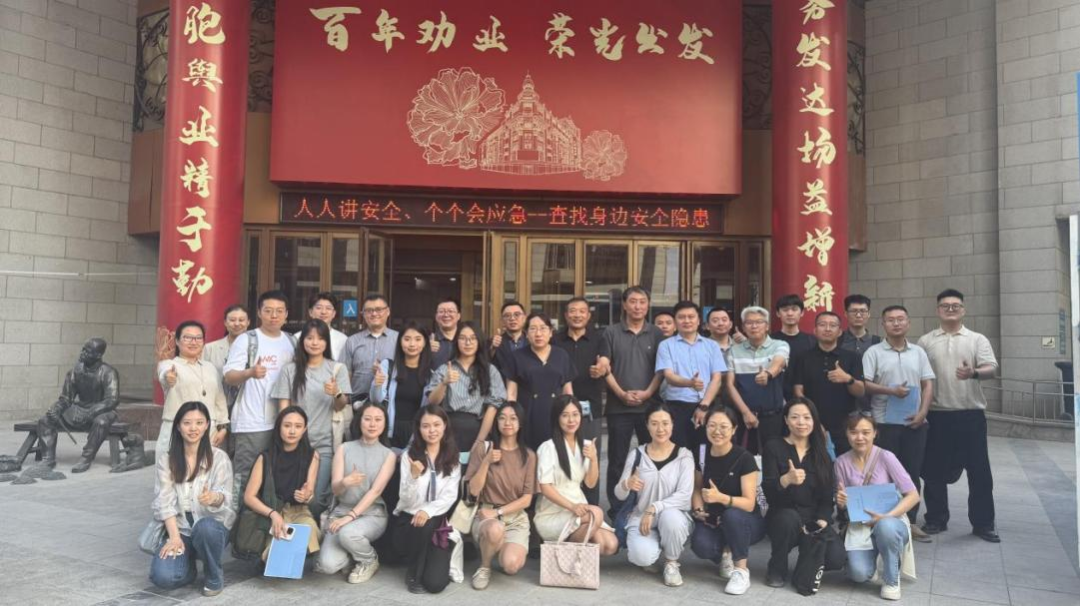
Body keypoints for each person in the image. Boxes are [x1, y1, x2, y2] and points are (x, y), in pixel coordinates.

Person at [917, 289, 1000, 543]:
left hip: (970, 415)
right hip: (937, 415)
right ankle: (936, 519)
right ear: (938, 310)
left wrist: (974, 372)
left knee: (979, 472)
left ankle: (983, 524)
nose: (950, 309)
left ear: (963, 310)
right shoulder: (925, 341)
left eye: (955, 305)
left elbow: (992, 369)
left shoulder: (976, 339)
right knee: (933, 471)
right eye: (945, 305)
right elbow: (919, 376)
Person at [862, 305, 935, 543]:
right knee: (883, 473)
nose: (896, 323)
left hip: (915, 423)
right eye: (891, 320)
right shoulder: (873, 352)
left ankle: (910, 521)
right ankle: (882, 520)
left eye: (900, 319)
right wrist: (890, 391)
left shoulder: (918, 352)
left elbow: (927, 384)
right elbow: (865, 384)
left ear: (908, 323)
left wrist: (923, 412)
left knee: (911, 472)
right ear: (883, 324)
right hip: (884, 423)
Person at [149, 401, 234, 597]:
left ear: (207, 426)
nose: (193, 428)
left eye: (199, 422)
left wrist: (213, 498)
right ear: (178, 427)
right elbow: (164, 501)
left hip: (212, 527)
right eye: (187, 423)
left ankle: (213, 574)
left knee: (205, 528)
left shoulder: (219, 458)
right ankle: (189, 564)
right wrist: (174, 537)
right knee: (163, 577)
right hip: (181, 527)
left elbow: (226, 498)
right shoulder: (167, 460)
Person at [761, 397, 846, 588]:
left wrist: (821, 521)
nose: (801, 422)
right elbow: (769, 493)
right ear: (786, 420)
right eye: (795, 417)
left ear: (814, 421)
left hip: (812, 518)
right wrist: (786, 480)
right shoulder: (773, 447)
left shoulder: (822, 454)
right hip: (782, 515)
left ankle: (806, 558)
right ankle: (777, 567)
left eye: (807, 417)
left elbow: (826, 499)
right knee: (787, 519)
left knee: (836, 558)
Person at [835, 416, 920, 601]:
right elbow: (843, 504)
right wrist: (840, 501)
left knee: (886, 527)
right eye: (854, 432)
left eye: (865, 432)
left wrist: (887, 516)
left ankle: (891, 580)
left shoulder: (886, 457)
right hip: (861, 526)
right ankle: (874, 561)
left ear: (875, 433)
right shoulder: (841, 462)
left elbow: (913, 495)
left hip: (892, 522)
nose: (860, 437)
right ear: (847, 434)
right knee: (859, 574)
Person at [271, 319, 351, 513]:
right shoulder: (290, 370)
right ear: (302, 341)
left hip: (324, 444)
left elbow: (341, 405)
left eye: (320, 338)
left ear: (326, 342)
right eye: (310, 338)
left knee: (315, 498)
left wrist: (336, 393)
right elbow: (284, 411)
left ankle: (313, 530)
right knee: (292, 494)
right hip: (294, 445)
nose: (315, 343)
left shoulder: (337, 368)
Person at [599, 286, 665, 518]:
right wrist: (621, 394)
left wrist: (647, 393)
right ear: (625, 305)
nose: (638, 306)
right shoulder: (611, 332)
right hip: (619, 408)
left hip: (650, 407)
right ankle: (617, 509)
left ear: (648, 305)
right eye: (633, 301)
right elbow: (605, 367)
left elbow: (661, 370)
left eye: (642, 301)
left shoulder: (656, 333)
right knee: (617, 460)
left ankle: (648, 505)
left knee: (652, 458)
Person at [615, 402, 695, 587]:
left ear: (672, 424)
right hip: (641, 517)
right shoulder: (637, 454)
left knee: (670, 518)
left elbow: (684, 495)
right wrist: (627, 484)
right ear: (647, 425)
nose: (660, 429)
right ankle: (654, 546)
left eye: (665, 423)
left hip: (673, 515)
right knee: (641, 557)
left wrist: (654, 508)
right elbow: (619, 494)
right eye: (654, 423)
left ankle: (671, 562)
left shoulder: (684, 456)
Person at [317, 402, 397, 583]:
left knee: (347, 534)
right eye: (367, 419)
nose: (372, 424)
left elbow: (375, 491)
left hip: (372, 514)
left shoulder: (388, 455)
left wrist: (350, 517)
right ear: (359, 421)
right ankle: (353, 552)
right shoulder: (344, 448)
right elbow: (336, 489)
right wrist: (344, 482)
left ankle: (368, 560)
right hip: (341, 512)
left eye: (378, 420)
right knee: (327, 565)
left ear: (385, 424)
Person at [224, 290, 296, 488]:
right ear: (259, 312)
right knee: (245, 475)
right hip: (252, 422)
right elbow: (229, 376)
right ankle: (240, 509)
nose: (274, 316)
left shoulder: (292, 341)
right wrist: (250, 373)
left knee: (276, 475)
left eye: (279, 311)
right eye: (268, 310)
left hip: (282, 421)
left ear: (286, 314)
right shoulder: (247, 339)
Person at [690, 407, 765, 596]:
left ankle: (741, 571)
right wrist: (698, 510)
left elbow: (749, 503)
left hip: (745, 521)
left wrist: (720, 498)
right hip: (714, 519)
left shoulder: (744, 458)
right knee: (700, 545)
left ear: (734, 429)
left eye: (724, 426)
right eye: (712, 425)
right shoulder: (701, 453)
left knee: (732, 515)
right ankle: (726, 552)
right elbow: (697, 488)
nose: (717, 431)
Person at [464, 402, 537, 590]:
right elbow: (473, 490)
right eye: (502, 418)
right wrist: (486, 462)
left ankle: (496, 545)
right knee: (495, 530)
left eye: (513, 418)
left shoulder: (529, 456)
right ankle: (485, 566)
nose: (507, 423)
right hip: (486, 515)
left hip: (515, 518)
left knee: (511, 566)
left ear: (520, 423)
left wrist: (498, 512)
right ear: (496, 422)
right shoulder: (483, 449)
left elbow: (527, 499)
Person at [535, 396, 618, 555]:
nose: (571, 420)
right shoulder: (548, 447)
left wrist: (593, 459)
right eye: (565, 415)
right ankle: (566, 554)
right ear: (557, 418)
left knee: (608, 545)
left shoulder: (587, 445)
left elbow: (590, 483)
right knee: (596, 513)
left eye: (575, 414)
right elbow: (545, 487)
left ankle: (569, 552)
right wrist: (572, 506)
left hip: (579, 507)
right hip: (553, 511)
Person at [391, 405, 461, 594]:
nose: (432, 430)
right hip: (409, 523)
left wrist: (427, 511)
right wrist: (413, 477)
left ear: (445, 425)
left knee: (436, 584)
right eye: (426, 426)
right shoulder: (409, 456)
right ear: (419, 429)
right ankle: (414, 572)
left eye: (436, 424)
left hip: (436, 521)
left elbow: (450, 496)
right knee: (423, 524)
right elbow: (405, 499)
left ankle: (436, 557)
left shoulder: (452, 457)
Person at [242, 405, 321, 561]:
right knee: (277, 552)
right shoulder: (265, 457)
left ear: (304, 429)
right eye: (287, 425)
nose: (292, 431)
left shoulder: (312, 455)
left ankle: (285, 557)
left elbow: (309, 492)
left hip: (299, 512)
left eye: (298, 426)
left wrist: (306, 496)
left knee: (310, 530)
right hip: (271, 512)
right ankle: (274, 557)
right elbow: (249, 497)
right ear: (279, 427)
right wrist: (272, 514)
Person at [552, 298, 607, 506]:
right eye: (573, 311)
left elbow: (606, 361)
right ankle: (565, 507)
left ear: (588, 315)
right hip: (561, 408)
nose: (577, 315)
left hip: (591, 407)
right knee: (563, 457)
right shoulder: (555, 340)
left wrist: (601, 368)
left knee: (590, 458)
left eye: (582, 311)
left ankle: (592, 509)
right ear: (566, 315)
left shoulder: (599, 339)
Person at [37, 337, 119, 472]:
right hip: (79, 409)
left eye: (88, 351)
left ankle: (86, 458)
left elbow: (112, 400)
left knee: (101, 422)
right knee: (45, 420)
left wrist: (91, 412)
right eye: (83, 349)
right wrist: (57, 408)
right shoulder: (75, 371)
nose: (82, 353)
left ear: (98, 355)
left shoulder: (109, 372)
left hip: (103, 411)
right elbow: (66, 398)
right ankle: (48, 459)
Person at [655, 301, 726, 449]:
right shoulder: (666, 345)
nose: (687, 321)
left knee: (705, 450)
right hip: (677, 406)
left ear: (699, 320)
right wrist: (689, 383)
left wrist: (704, 406)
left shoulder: (712, 345)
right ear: (675, 321)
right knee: (680, 450)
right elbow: (668, 376)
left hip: (707, 405)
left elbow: (717, 379)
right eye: (681, 317)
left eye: (691, 317)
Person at [792, 311, 864, 456]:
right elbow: (798, 391)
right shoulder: (803, 357)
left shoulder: (852, 357)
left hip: (844, 424)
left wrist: (848, 378)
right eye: (822, 325)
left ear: (840, 332)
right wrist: (812, 419)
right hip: (811, 423)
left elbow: (861, 391)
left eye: (833, 325)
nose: (827, 329)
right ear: (815, 330)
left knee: (845, 464)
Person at [157, 321, 229, 464]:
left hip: (207, 430)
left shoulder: (210, 367)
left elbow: (219, 399)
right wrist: (168, 377)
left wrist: (223, 427)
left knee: (206, 471)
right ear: (177, 341)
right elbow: (165, 375)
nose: (193, 342)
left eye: (198, 338)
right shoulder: (169, 365)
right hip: (177, 430)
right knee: (174, 470)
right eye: (187, 337)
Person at [426, 321, 505, 451]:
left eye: (473, 338)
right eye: (462, 338)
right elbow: (432, 402)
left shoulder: (490, 371)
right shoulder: (445, 368)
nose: (468, 343)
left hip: (478, 428)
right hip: (448, 428)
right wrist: (444, 383)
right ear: (456, 341)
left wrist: (480, 441)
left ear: (479, 341)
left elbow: (492, 408)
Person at [505, 313, 575, 451]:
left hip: (556, 413)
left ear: (551, 332)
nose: (538, 334)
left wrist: (570, 415)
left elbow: (568, 391)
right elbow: (511, 394)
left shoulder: (561, 355)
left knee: (555, 454)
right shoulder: (516, 357)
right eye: (533, 329)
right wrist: (511, 419)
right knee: (529, 455)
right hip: (527, 414)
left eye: (543, 328)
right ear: (526, 333)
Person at [727, 306, 788, 455]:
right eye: (749, 323)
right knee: (744, 458)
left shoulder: (780, 345)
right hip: (744, 417)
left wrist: (768, 374)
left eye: (759, 322)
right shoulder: (734, 350)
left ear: (767, 326)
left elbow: (779, 363)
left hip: (773, 417)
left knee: (773, 457)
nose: (754, 326)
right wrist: (746, 412)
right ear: (743, 327)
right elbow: (730, 385)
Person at [371, 322, 433, 449]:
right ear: (400, 342)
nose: (412, 344)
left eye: (418, 339)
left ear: (425, 343)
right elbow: (376, 400)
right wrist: (377, 384)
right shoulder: (387, 366)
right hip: (389, 430)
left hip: (417, 432)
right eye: (407, 339)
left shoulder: (430, 375)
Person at [341, 293, 399, 406]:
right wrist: (345, 400)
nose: (374, 314)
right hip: (357, 403)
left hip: (389, 403)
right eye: (369, 310)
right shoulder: (352, 341)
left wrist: (385, 371)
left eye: (378, 309)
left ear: (388, 311)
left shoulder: (399, 339)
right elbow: (346, 374)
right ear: (363, 314)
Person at [203, 304, 250, 411]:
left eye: (241, 320)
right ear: (225, 322)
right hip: (216, 405)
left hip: (246, 406)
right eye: (232, 320)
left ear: (248, 322)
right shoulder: (210, 348)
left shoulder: (256, 348)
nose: (237, 323)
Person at [840, 294, 880, 416]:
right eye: (854, 311)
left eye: (863, 311)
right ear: (845, 314)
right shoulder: (837, 341)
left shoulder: (877, 342)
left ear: (869, 314)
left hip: (871, 406)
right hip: (843, 405)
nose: (858, 315)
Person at [771, 294, 817, 401]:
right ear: (778, 313)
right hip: (776, 397)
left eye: (794, 309)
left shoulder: (812, 341)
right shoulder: (770, 341)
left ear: (802, 313)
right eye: (785, 310)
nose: (790, 313)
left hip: (806, 397)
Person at [296, 292, 348, 360]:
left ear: (334, 313)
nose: (323, 312)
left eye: (328, 308)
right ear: (310, 312)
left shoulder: (343, 340)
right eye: (319, 308)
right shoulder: (297, 337)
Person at [491, 301, 528, 379]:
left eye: (517, 314)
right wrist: (492, 348)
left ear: (524, 318)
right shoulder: (493, 343)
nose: (512, 318)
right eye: (507, 315)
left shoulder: (533, 341)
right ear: (502, 320)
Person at [429, 298, 461, 368]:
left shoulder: (466, 340)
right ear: (436, 316)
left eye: (450, 311)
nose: (446, 315)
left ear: (458, 316)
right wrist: (426, 350)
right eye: (441, 311)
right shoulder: (427, 341)